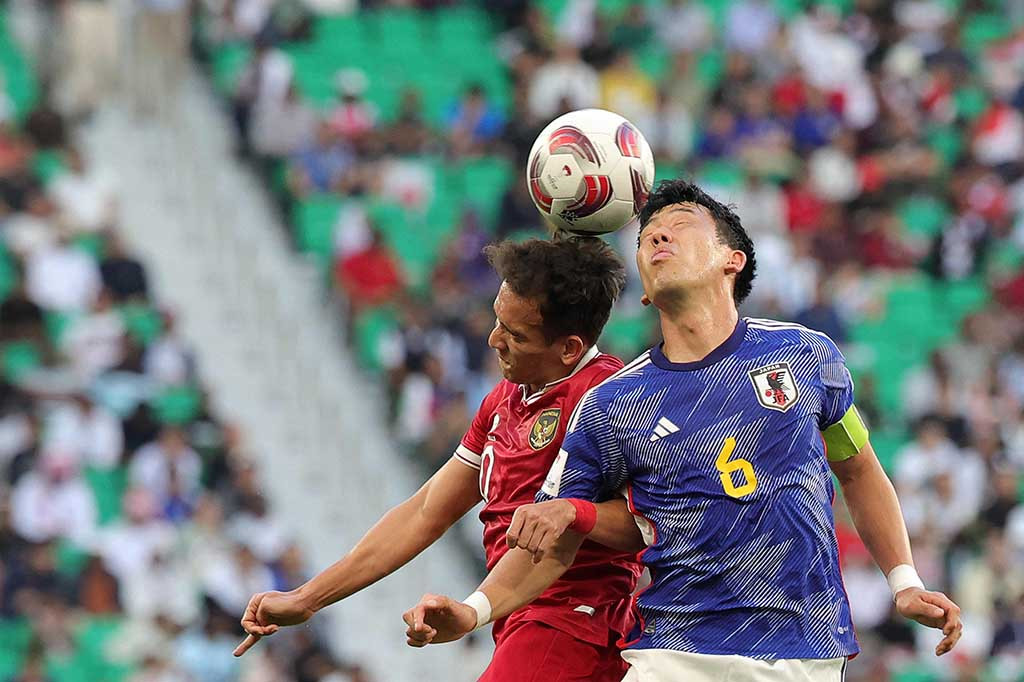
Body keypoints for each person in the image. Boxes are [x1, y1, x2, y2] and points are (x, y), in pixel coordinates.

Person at [402, 180, 964, 680]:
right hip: (673, 651)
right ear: (645, 290)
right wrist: (473, 610)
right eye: (648, 235)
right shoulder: (613, 404)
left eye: (682, 224)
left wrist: (904, 582)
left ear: (731, 260)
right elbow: (552, 542)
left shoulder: (805, 356)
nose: (658, 235)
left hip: (801, 650)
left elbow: (858, 470)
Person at [234, 238, 645, 682]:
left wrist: (570, 515)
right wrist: (308, 598)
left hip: (574, 623)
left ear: (569, 348)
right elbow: (425, 511)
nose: (494, 340)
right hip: (518, 620)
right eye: (497, 321)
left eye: (516, 335)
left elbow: (646, 519)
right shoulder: (503, 400)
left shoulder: (609, 397)